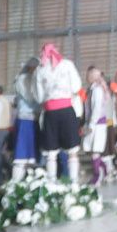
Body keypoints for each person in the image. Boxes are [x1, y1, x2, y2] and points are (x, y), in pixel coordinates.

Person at [33, 42, 83, 182]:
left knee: (51, 153)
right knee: (72, 150)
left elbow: (39, 96)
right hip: (67, 110)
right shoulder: (67, 65)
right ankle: (74, 182)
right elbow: (76, 86)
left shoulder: (40, 69)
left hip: (50, 112)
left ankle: (52, 181)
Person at [82, 65, 115, 184]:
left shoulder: (97, 90)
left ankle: (98, 175)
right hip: (94, 123)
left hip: (97, 124)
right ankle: (104, 170)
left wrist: (91, 124)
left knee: (95, 150)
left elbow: (96, 109)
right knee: (93, 150)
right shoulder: (93, 89)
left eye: (88, 74)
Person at [10, 60, 41, 179]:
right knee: (21, 155)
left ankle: (27, 183)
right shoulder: (24, 79)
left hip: (33, 119)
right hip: (25, 119)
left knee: (31, 157)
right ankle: (15, 184)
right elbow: (31, 96)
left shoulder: (32, 78)